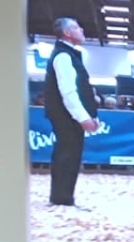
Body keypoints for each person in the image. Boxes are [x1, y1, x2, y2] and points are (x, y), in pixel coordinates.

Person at [44, 18, 101, 207]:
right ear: (67, 33)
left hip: (68, 115)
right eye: (77, 27)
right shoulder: (63, 56)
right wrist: (83, 117)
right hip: (65, 115)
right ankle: (62, 198)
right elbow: (68, 91)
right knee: (67, 154)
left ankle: (63, 196)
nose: (82, 29)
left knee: (70, 153)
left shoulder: (69, 55)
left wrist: (91, 114)